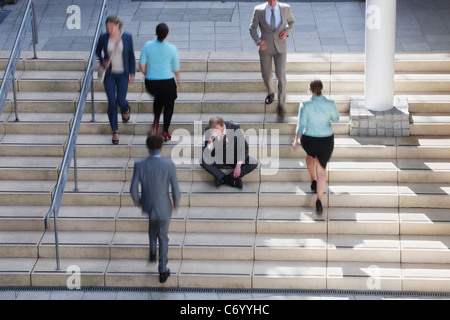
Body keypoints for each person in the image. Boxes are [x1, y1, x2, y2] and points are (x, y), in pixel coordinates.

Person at [130, 134, 180, 283]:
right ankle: (162, 269)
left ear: (148, 147)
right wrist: (176, 202)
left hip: (149, 205)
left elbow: (133, 189)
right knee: (163, 237)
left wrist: (137, 201)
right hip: (164, 206)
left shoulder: (139, 165)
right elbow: (175, 189)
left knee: (152, 226)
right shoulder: (169, 165)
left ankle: (152, 251)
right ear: (161, 147)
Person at [293, 80, 339, 214]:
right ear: (322, 89)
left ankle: (313, 180)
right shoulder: (330, 103)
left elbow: (301, 124)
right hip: (326, 140)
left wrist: (296, 140)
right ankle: (319, 200)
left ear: (310, 89)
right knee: (322, 169)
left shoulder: (305, 104)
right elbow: (335, 119)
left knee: (310, 156)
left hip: (309, 139)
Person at [250, 0, 295, 122]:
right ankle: (270, 93)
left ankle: (281, 106)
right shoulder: (259, 10)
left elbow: (292, 22)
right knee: (266, 75)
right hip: (265, 48)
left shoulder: (285, 8)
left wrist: (287, 32)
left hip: (280, 48)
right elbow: (252, 28)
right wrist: (258, 41)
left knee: (280, 75)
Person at [96, 16, 135, 145]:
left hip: (123, 74)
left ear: (118, 25)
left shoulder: (127, 37)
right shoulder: (103, 37)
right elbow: (97, 51)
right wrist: (103, 61)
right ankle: (115, 130)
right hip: (110, 75)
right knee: (112, 102)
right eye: (107, 27)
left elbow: (131, 56)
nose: (109, 29)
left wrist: (132, 73)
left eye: (111, 27)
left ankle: (126, 109)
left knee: (121, 100)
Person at [140, 23, 181, 142]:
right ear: (167, 34)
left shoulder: (147, 45)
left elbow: (142, 66)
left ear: (156, 33)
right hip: (167, 82)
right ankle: (165, 130)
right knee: (169, 103)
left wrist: (148, 75)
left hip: (151, 83)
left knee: (159, 98)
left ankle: (156, 121)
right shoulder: (172, 48)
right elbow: (176, 69)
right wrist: (179, 81)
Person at [201, 116, 258, 189]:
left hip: (234, 157)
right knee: (203, 160)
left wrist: (238, 165)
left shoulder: (234, 127)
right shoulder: (208, 131)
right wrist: (210, 141)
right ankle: (230, 181)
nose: (214, 131)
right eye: (212, 129)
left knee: (253, 162)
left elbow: (244, 147)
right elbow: (207, 154)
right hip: (220, 158)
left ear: (223, 125)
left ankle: (223, 178)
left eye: (217, 129)